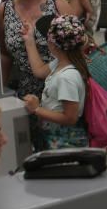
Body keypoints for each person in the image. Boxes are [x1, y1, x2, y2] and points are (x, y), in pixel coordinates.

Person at [22, 15, 91, 150]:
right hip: (58, 138)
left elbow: (70, 118)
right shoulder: (64, 63)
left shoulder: (66, 78)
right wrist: (29, 40)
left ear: (52, 44)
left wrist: (36, 109)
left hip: (65, 143)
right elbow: (39, 71)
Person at [0, 0, 61, 99]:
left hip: (59, 85)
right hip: (25, 90)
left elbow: (78, 49)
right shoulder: (4, 9)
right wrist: (1, 90)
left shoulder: (57, 5)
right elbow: (5, 54)